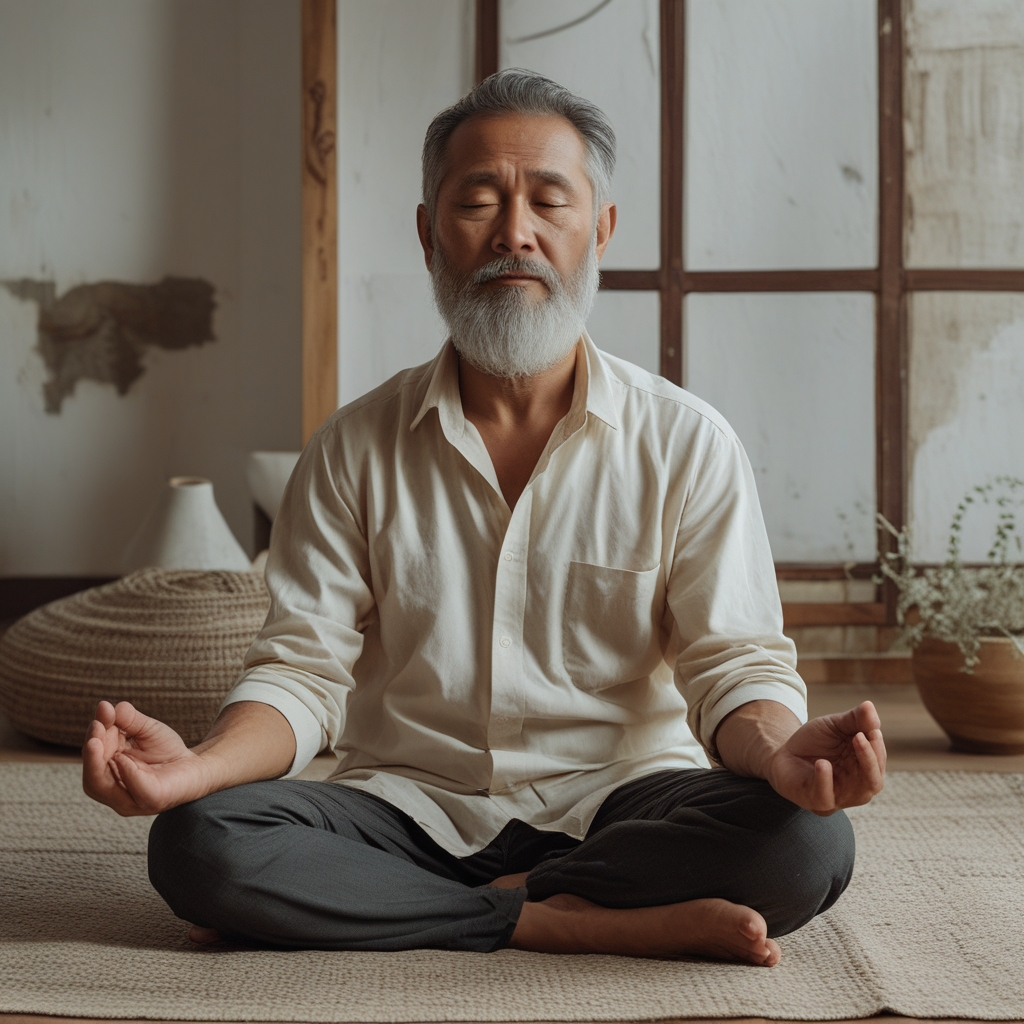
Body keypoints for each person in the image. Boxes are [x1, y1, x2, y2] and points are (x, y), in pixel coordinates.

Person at [83, 70, 885, 967]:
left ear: (600, 231)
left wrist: (782, 758)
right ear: (429, 235)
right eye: (477, 203)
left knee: (810, 843)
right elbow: (302, 676)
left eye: (549, 200)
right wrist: (197, 766)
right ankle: (566, 923)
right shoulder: (352, 448)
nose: (516, 234)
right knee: (199, 842)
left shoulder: (687, 443)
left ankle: (401, 911)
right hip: (405, 807)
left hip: (620, 807)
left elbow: (731, 661)